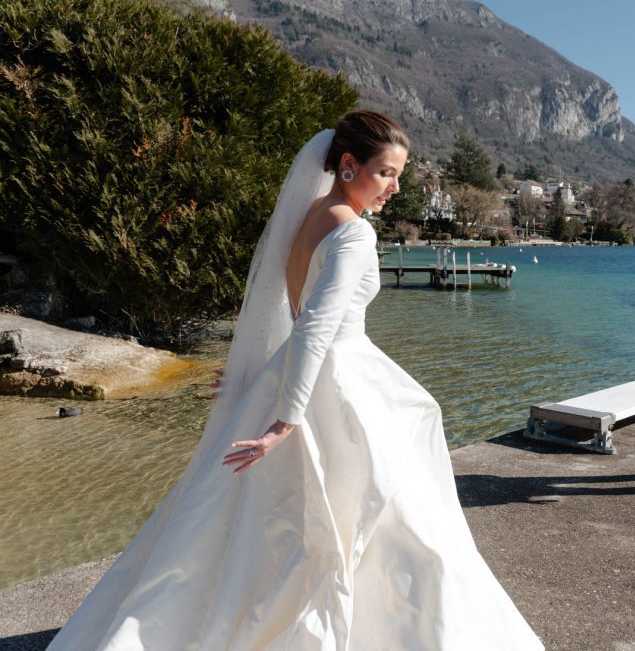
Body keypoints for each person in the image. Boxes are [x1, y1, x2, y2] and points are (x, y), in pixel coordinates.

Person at [48, 111, 545, 650]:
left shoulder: (311, 215)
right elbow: (315, 326)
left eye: (399, 175)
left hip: (293, 371)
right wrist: (286, 419)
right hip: (336, 380)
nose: (396, 188)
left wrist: (260, 377)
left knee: (260, 526)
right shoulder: (352, 234)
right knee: (388, 519)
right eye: (386, 173)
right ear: (349, 166)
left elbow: (285, 314)